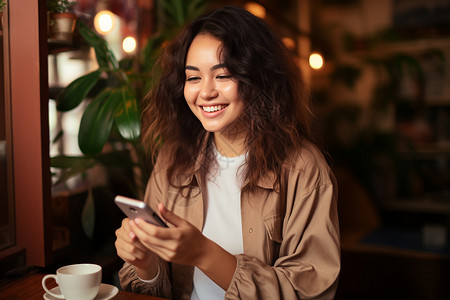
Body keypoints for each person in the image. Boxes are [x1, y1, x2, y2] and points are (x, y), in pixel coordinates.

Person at [115, 6, 340, 300]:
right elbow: (150, 288)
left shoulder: (303, 168)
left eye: (223, 75)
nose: (205, 92)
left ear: (258, 78)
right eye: (193, 78)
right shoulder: (173, 159)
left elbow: (310, 292)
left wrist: (204, 253)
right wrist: (145, 264)